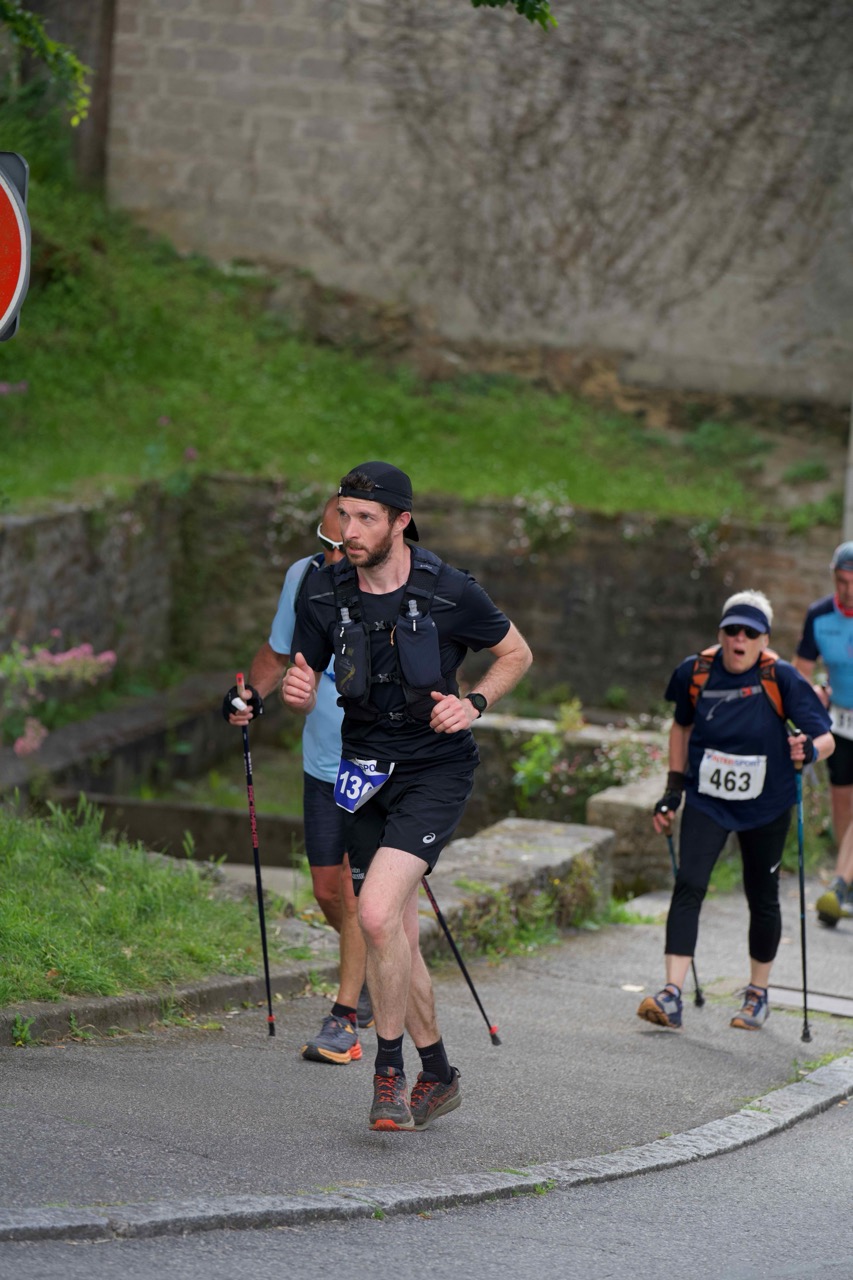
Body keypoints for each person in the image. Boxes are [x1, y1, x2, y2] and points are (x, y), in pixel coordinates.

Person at [282, 461, 532, 1131]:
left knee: (373, 913)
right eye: (344, 515)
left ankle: (387, 1072)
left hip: (433, 770)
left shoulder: (449, 590)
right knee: (394, 931)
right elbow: (303, 673)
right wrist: (296, 691)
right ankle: (440, 1073)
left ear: (400, 522)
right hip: (363, 770)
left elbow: (516, 653)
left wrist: (474, 703)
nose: (350, 529)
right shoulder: (322, 590)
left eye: (366, 518)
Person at [638, 590, 833, 1032]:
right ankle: (671, 994)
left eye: (749, 632)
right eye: (732, 630)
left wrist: (808, 750)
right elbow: (681, 727)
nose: (739, 639)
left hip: (767, 804)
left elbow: (825, 738)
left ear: (764, 639)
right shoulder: (695, 672)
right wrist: (672, 790)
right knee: (689, 883)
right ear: (721, 633)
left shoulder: (781, 677)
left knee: (761, 895)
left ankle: (757, 993)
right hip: (709, 799)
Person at [225, 496, 372, 1064]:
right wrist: (250, 697)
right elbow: (277, 651)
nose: (336, 557)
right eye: (328, 545)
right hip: (322, 763)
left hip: (375, 767)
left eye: (346, 547)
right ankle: (375, 963)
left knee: (357, 896)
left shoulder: (391, 583)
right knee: (327, 892)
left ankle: (345, 1017)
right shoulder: (305, 578)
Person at [793, 540, 853, 926]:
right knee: (842, 806)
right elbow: (799, 671)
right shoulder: (819, 615)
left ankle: (841, 883)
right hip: (840, 721)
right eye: (841, 581)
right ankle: (848, 881)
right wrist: (813, 690)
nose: (848, 590)